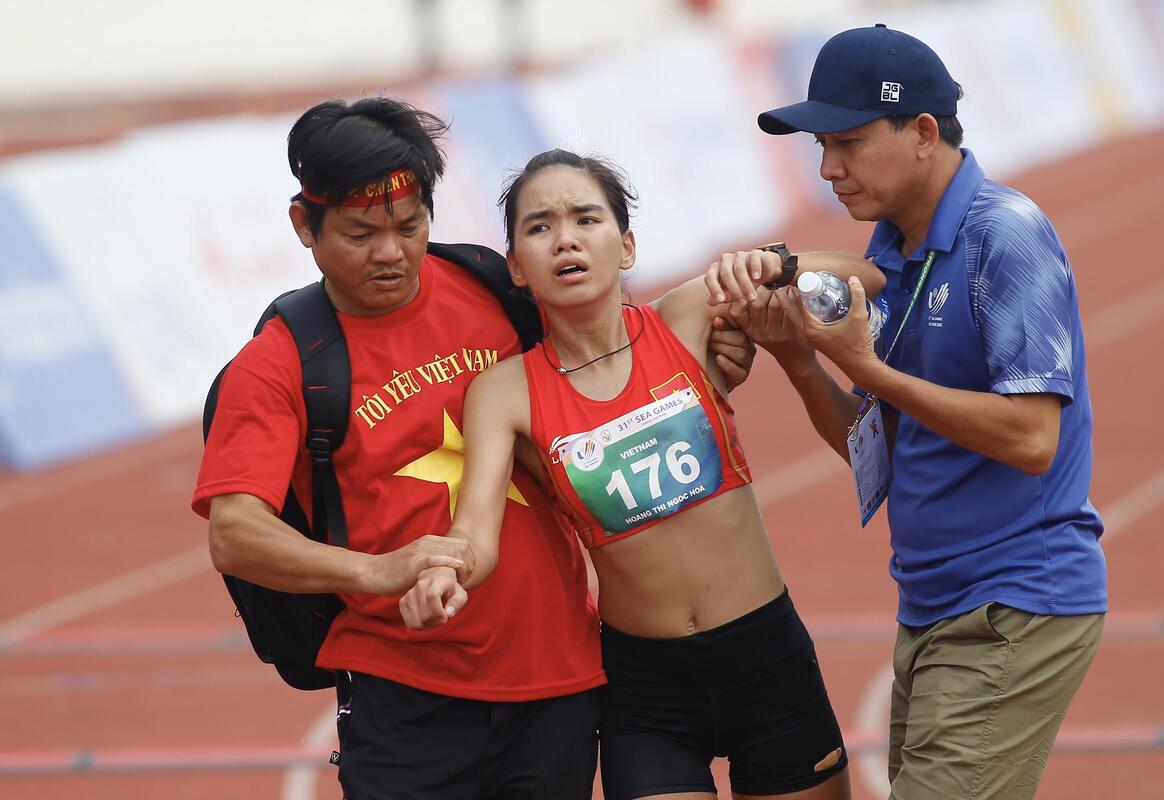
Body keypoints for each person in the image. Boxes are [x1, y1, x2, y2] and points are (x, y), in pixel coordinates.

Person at [192, 97, 756, 800]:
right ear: (304, 225)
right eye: (361, 233)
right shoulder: (279, 364)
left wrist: (711, 364)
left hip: (558, 682)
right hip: (404, 698)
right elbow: (235, 534)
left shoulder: (491, 286)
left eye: (410, 226)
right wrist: (376, 572)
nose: (391, 252)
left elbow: (603, 370)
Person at [401, 149, 883, 800]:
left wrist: (778, 265)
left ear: (626, 246)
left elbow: (869, 277)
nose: (565, 239)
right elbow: (475, 535)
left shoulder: (687, 316)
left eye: (586, 219)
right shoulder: (504, 392)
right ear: (516, 265)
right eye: (540, 227)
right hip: (648, 693)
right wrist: (443, 572)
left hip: (766, 661)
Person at [723, 24, 1107, 800]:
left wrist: (867, 367)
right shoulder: (895, 248)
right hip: (935, 606)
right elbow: (883, 453)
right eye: (821, 146)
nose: (828, 169)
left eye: (849, 143)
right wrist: (802, 362)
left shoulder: (1005, 236)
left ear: (923, 133)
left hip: (1012, 602)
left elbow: (1033, 438)